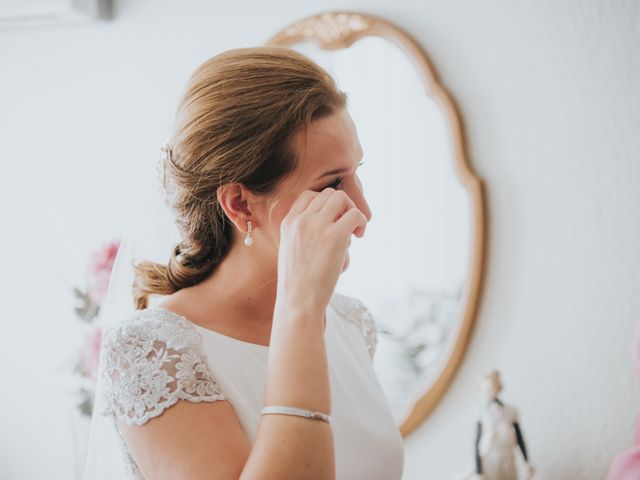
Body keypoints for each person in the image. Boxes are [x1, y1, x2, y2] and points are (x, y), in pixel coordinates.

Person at [82, 46, 405, 479]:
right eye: (332, 184)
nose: (361, 211)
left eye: (356, 172)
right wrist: (301, 311)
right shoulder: (155, 354)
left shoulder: (351, 323)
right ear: (240, 204)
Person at [471, 370, 535, 480]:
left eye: (492, 388)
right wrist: (478, 471)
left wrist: (526, 461)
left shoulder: (510, 411)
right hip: (489, 457)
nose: (489, 392)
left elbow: (520, 438)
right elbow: (477, 441)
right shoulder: (481, 413)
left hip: (507, 455)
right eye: (486, 389)